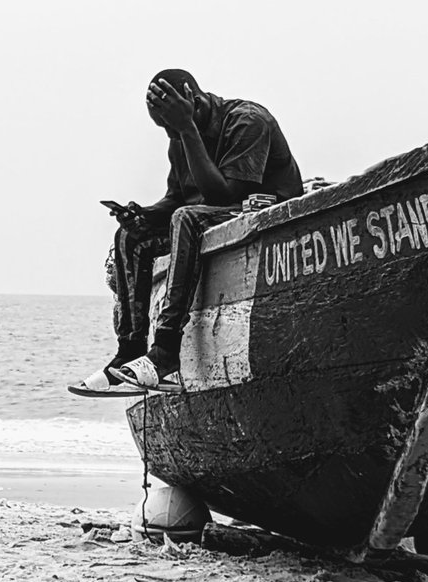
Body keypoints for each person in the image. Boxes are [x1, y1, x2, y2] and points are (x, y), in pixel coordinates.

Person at [77, 68, 303, 392]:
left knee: (187, 218)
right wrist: (144, 215)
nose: (171, 134)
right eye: (165, 128)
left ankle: (165, 351)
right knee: (130, 237)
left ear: (192, 103)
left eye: (173, 124)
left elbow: (222, 196)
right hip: (206, 215)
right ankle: (130, 351)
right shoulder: (180, 138)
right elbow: (177, 198)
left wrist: (186, 129)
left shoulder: (248, 121)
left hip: (259, 211)